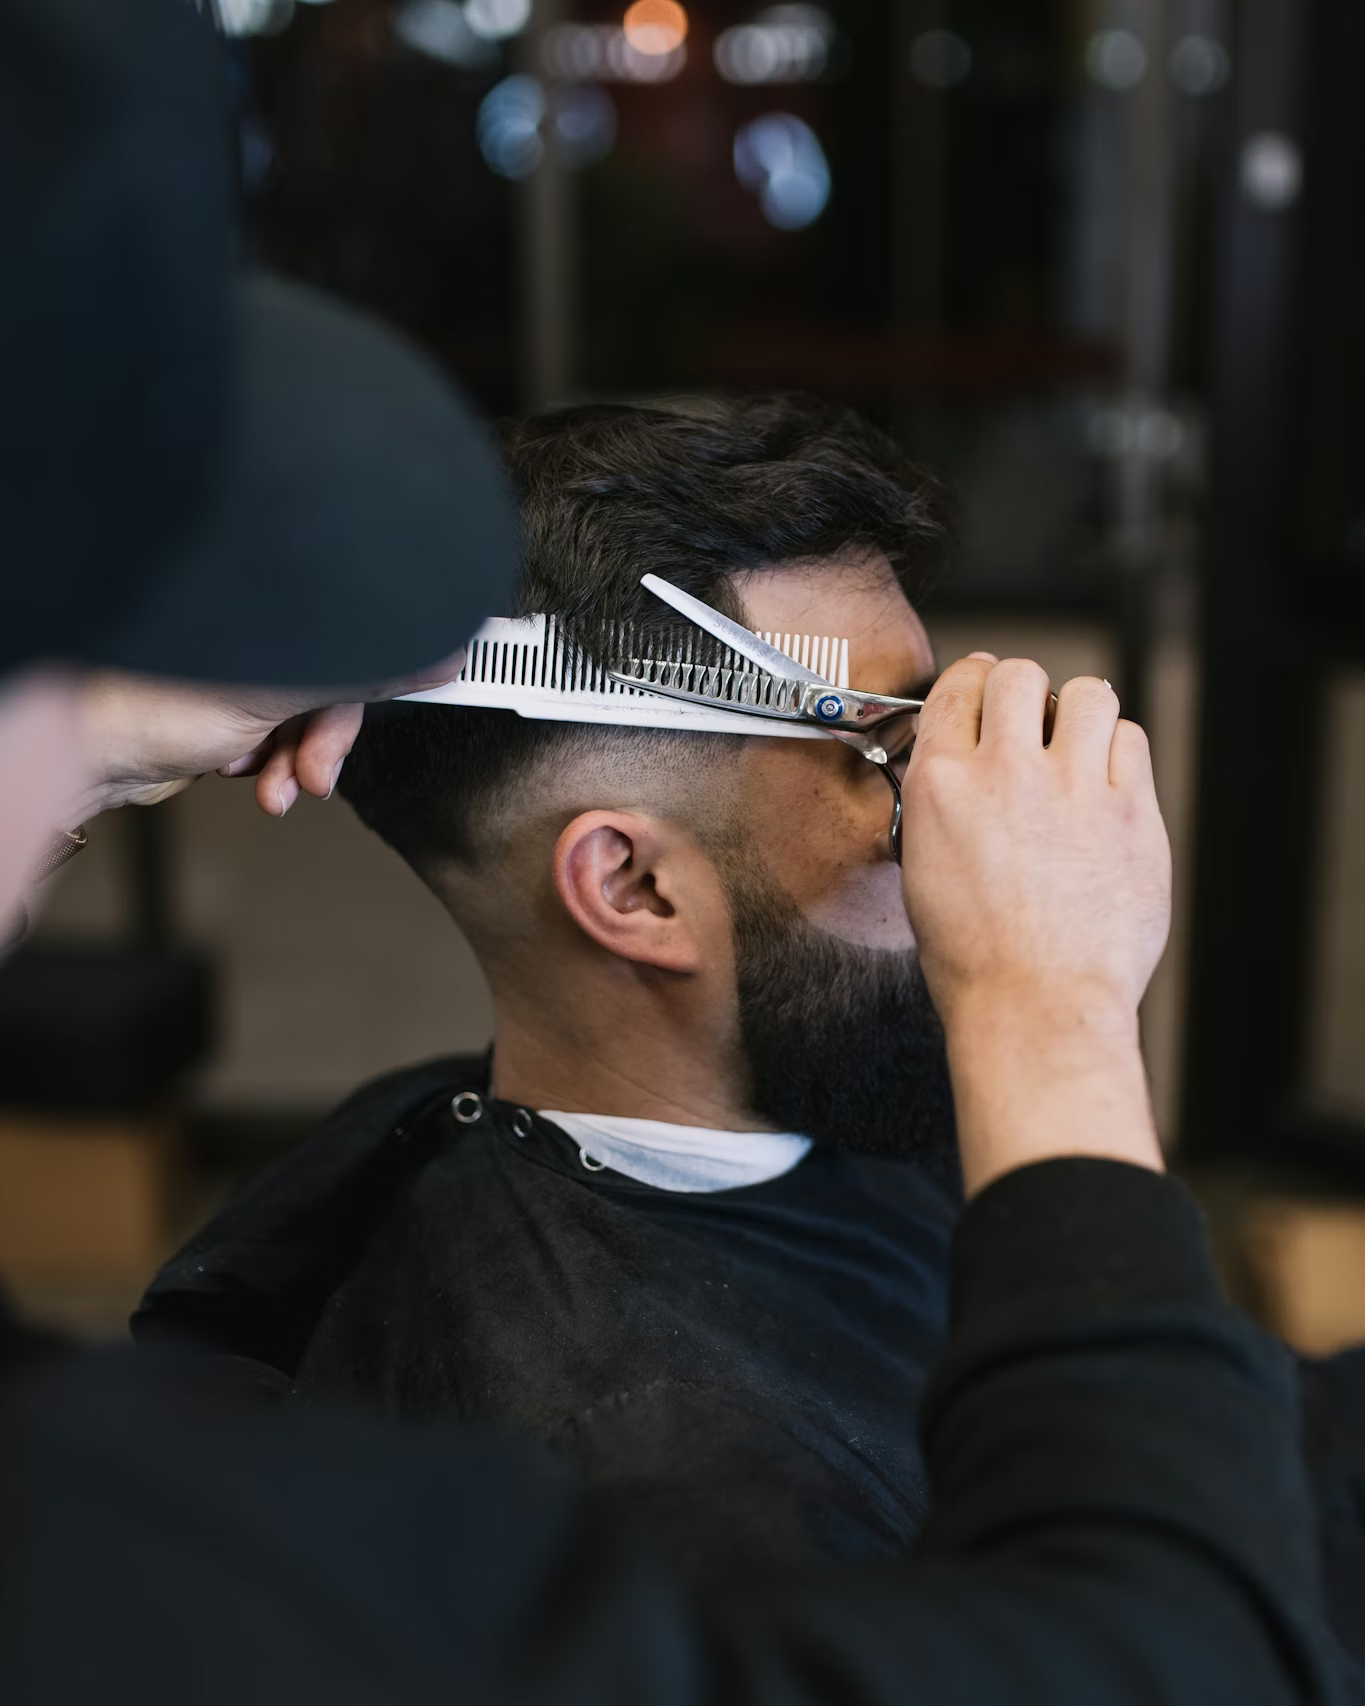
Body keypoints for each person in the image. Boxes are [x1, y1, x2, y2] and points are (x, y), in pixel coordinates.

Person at [0, 1, 1349, 1701]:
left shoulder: (830, 1084)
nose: (981, 810)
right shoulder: (664, 1471)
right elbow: (1174, 1662)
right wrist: (1055, 1015)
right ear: (633, 887)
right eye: (894, 749)